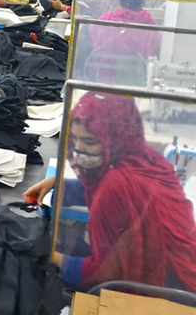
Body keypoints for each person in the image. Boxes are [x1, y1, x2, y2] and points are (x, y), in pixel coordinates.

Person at [23, 93, 196, 291]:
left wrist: (51, 255)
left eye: (89, 141)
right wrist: (59, 184)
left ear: (113, 138)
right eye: (75, 138)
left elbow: (100, 274)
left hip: (163, 290)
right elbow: (119, 196)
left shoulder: (115, 184)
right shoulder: (147, 159)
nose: (78, 148)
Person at [90, 0, 161, 59]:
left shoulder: (107, 18)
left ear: (121, 0)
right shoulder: (149, 23)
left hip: (103, 69)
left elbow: (92, 36)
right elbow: (154, 49)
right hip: (137, 69)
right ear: (142, 2)